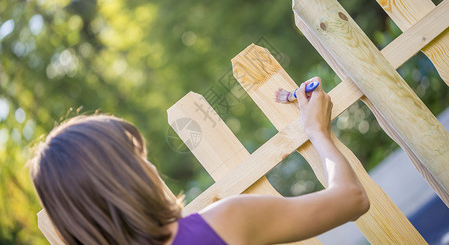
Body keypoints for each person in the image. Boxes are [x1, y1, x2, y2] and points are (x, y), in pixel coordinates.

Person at [29, 77, 370, 244]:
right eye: (137, 157)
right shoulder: (221, 224)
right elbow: (352, 200)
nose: (151, 167)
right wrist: (318, 131)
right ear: (123, 180)